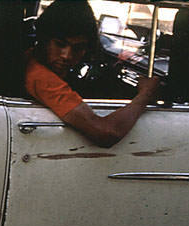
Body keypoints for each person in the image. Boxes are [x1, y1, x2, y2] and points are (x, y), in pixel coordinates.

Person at [26, 0, 160, 148]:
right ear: (44, 40)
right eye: (60, 44)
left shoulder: (30, 60)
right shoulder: (42, 78)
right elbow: (107, 132)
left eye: (78, 48)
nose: (67, 56)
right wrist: (145, 94)